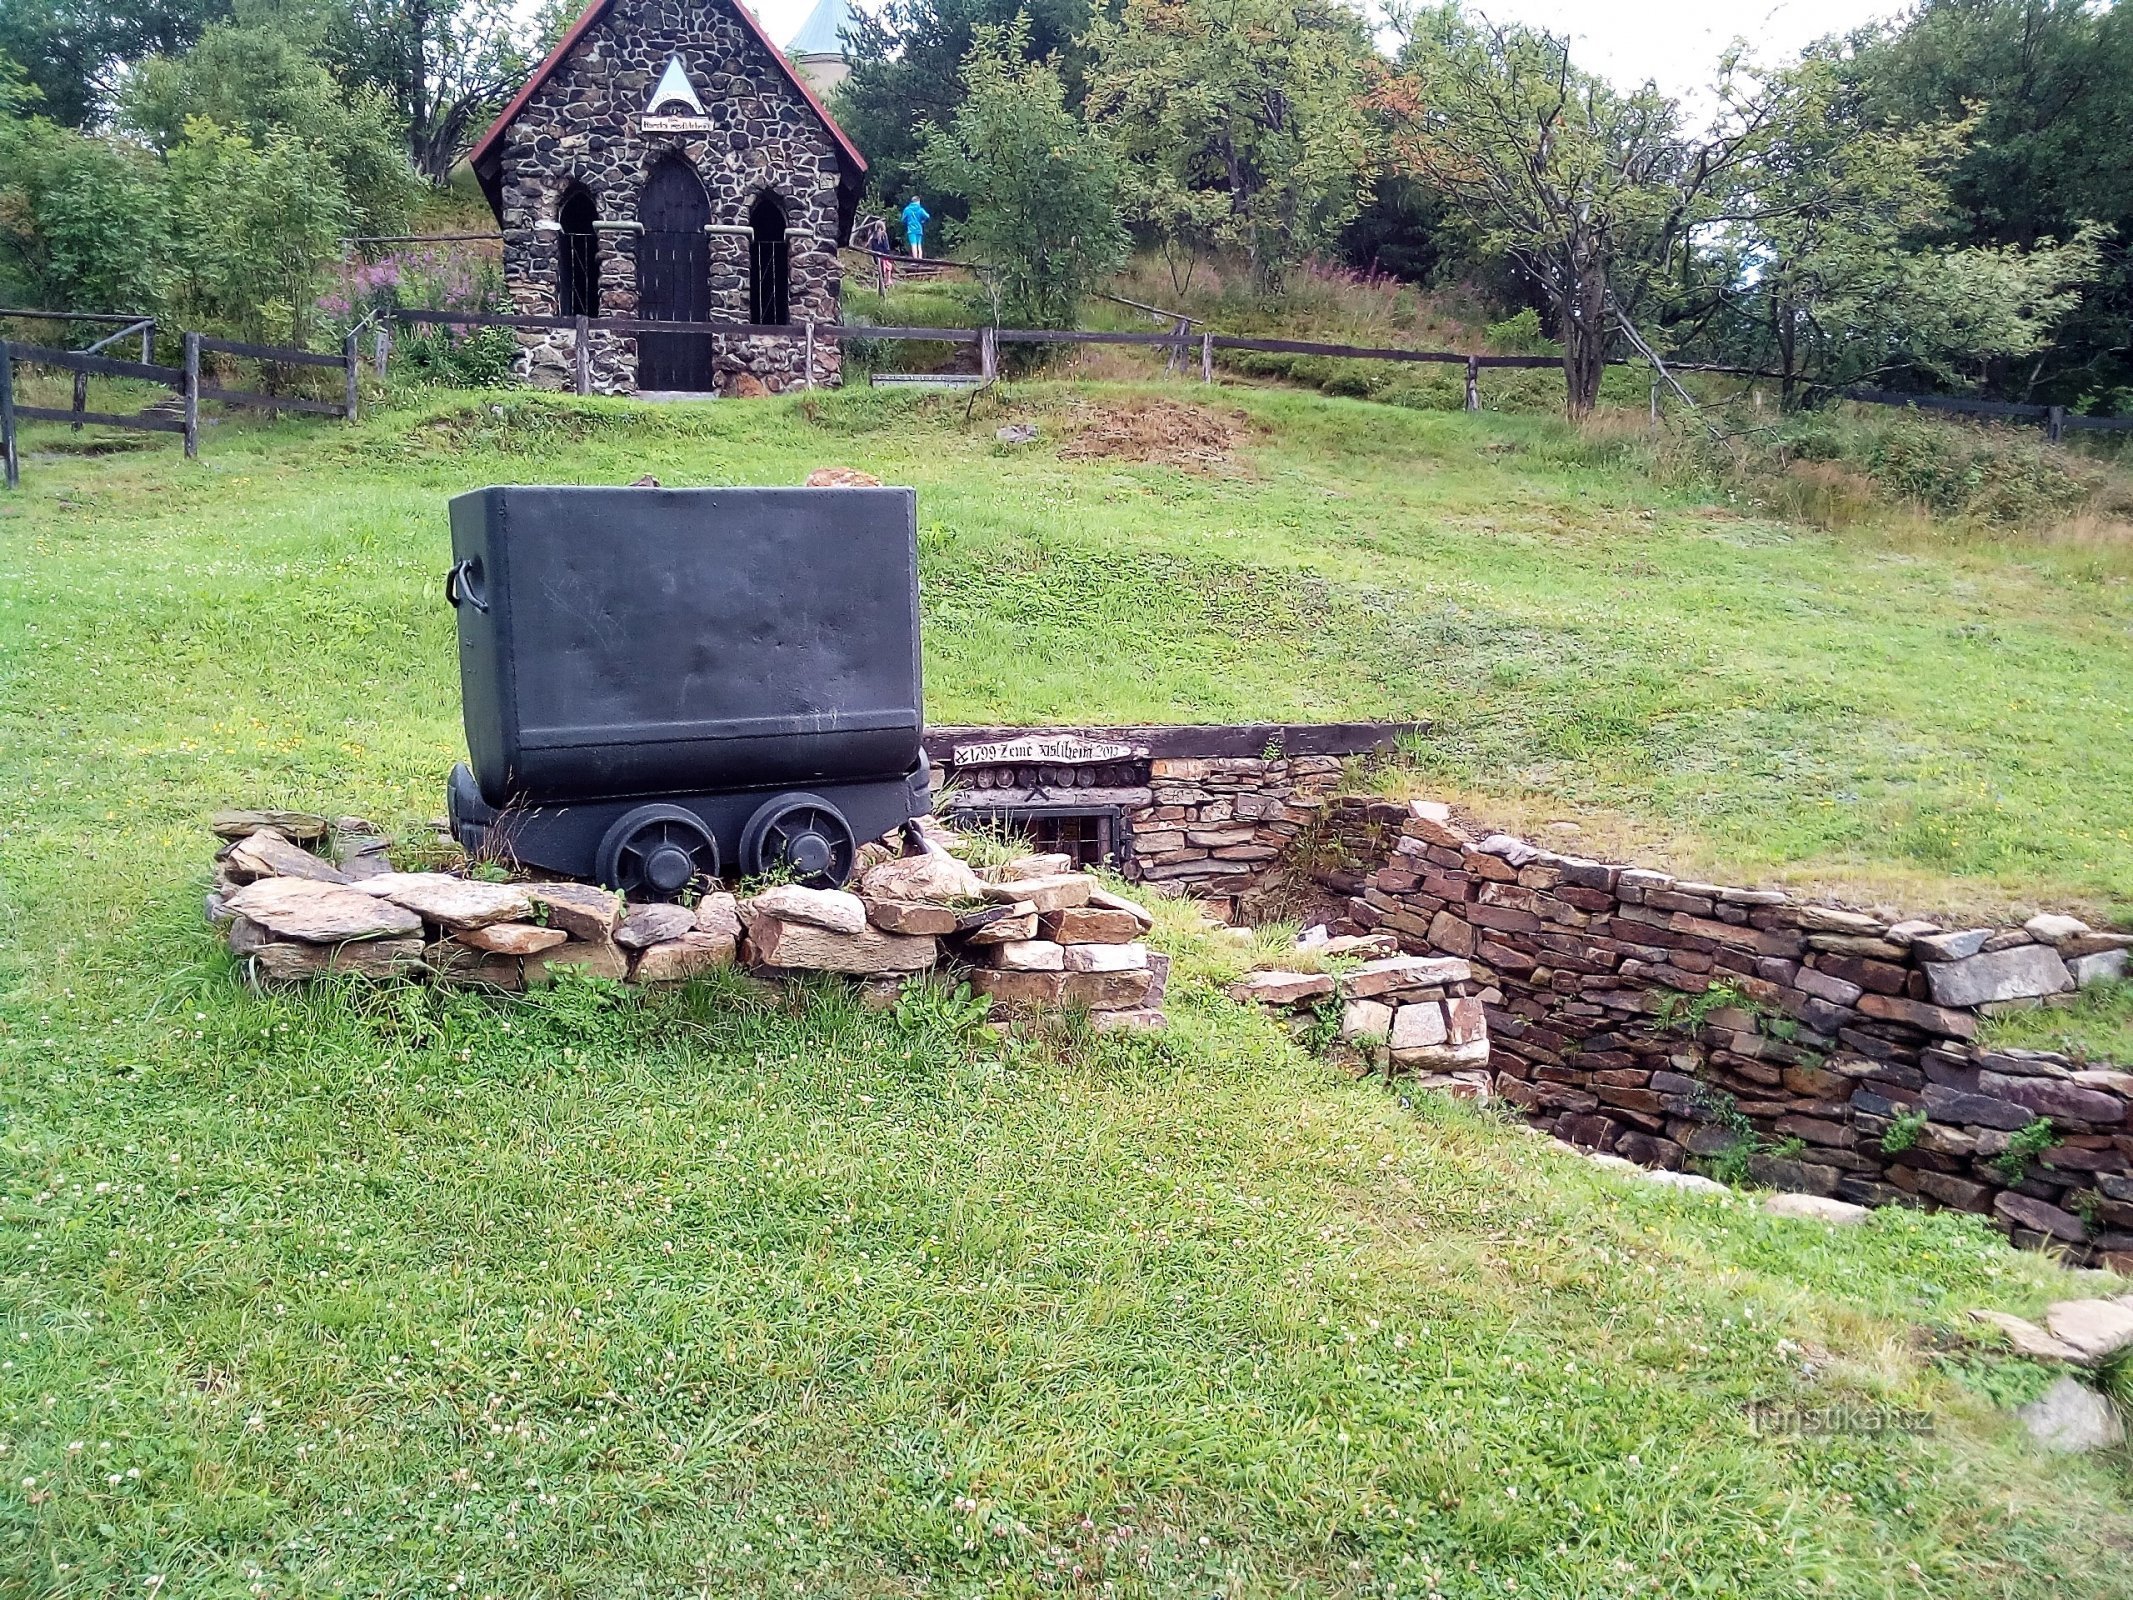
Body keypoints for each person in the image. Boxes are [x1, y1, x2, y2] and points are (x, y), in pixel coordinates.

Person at [901, 194, 931, 260]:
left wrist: (907, 222)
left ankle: (915, 260)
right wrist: (923, 220)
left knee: (913, 245)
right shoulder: (920, 209)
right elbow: (927, 216)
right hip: (919, 229)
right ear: (918, 201)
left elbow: (903, 219)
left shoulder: (907, 209)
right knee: (919, 245)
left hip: (911, 229)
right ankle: (920, 259)